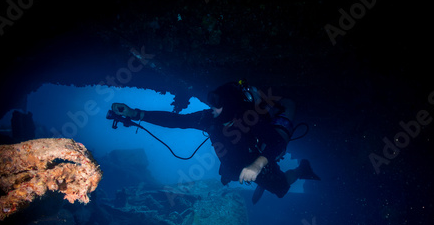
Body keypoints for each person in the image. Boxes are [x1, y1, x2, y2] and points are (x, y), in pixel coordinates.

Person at [111, 81, 320, 203]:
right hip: (235, 164)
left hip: (259, 161)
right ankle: (253, 177)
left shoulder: (249, 119)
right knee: (231, 175)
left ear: (230, 105)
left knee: (282, 188)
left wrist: (257, 166)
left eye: (217, 105)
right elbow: (177, 121)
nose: (212, 108)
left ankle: (301, 170)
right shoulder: (209, 118)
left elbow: (277, 144)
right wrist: (135, 112)